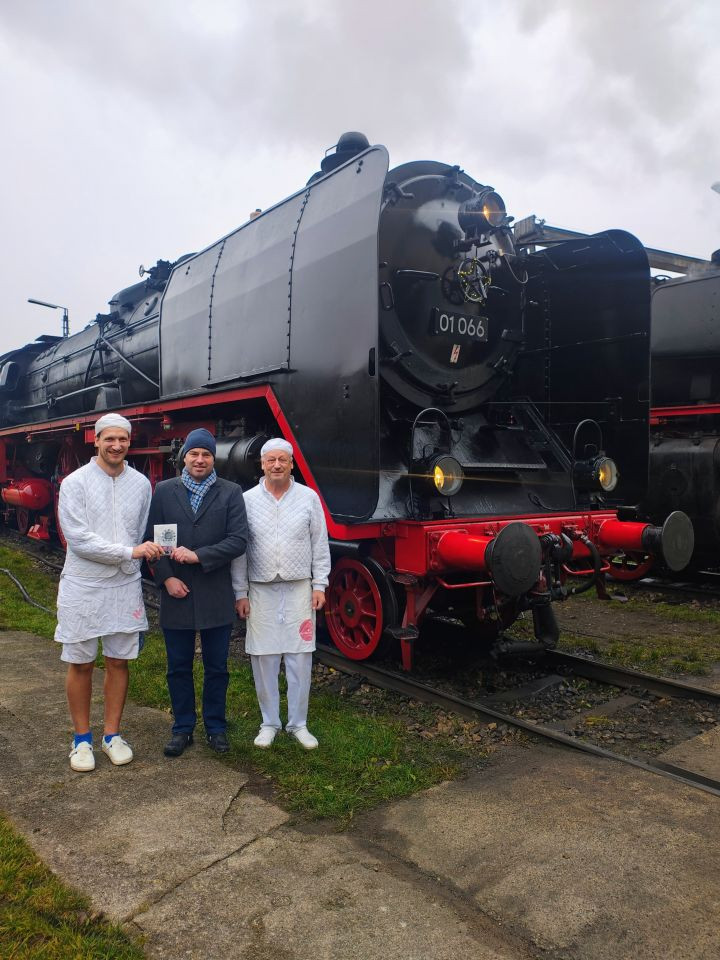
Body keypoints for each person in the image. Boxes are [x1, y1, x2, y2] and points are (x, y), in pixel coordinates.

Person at [55, 413, 164, 773]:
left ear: (129, 443)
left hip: (123, 585)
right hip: (84, 584)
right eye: (109, 439)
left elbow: (141, 528)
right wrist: (129, 553)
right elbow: (79, 539)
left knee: (119, 660)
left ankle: (112, 735)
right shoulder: (75, 483)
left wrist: (138, 557)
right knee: (81, 661)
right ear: (96, 440)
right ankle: (81, 739)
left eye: (123, 440)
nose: (116, 445)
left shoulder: (141, 484)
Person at [146, 428, 248, 757]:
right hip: (177, 593)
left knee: (217, 667)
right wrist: (166, 579)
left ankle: (216, 727)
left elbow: (238, 540)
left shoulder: (231, 492)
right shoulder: (163, 491)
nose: (200, 459)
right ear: (184, 457)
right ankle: (183, 727)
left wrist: (199, 555)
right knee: (178, 666)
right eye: (194, 454)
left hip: (216, 593)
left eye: (205, 454)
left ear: (212, 458)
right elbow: (155, 542)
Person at [232, 438, 330, 750]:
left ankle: (298, 723)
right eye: (271, 460)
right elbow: (239, 551)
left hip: (299, 587)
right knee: (264, 658)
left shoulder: (308, 498)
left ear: (291, 464)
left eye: (283, 460)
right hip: (260, 590)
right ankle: (269, 722)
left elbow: (320, 544)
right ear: (261, 464)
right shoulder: (247, 500)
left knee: (300, 657)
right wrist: (240, 592)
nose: (277, 465)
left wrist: (320, 584)